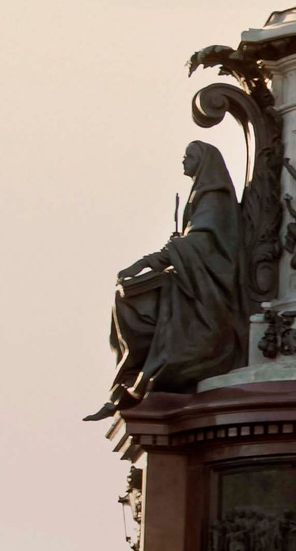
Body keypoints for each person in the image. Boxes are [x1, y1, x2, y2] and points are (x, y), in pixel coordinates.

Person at [85, 141, 245, 420]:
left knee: (135, 298)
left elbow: (202, 243)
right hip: (192, 278)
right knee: (127, 297)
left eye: (188, 157)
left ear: (203, 162)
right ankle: (131, 375)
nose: (183, 161)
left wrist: (147, 261)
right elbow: (194, 243)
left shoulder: (214, 196)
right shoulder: (203, 195)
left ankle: (144, 374)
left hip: (208, 288)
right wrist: (177, 247)